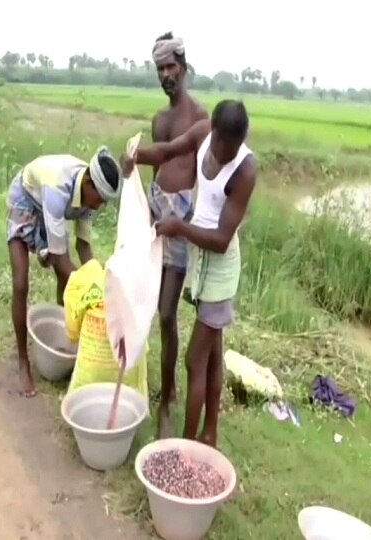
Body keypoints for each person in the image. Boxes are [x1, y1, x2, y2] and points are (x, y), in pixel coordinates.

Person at [121, 100, 256, 447]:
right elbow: (167, 151)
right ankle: (208, 433)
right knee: (211, 356)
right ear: (214, 131)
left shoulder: (245, 170)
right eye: (224, 146)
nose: (227, 154)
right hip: (200, 262)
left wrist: (179, 228)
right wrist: (138, 158)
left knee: (194, 359)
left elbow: (223, 241)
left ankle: (185, 445)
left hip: (220, 269)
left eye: (236, 147)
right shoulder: (201, 136)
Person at [6, 148, 122, 397]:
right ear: (89, 183)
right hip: (25, 198)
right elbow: (62, 260)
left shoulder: (90, 195)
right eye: (99, 199)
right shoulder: (58, 188)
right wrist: (93, 294)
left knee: (65, 277)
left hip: (50, 211)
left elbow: (83, 245)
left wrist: (101, 281)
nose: (100, 206)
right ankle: (23, 363)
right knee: (20, 283)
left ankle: (65, 339)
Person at [147, 32, 209, 438]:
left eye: (172, 67)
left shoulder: (201, 119)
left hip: (182, 225)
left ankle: (168, 395)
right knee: (153, 309)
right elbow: (156, 172)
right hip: (156, 221)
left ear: (184, 68)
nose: (167, 74)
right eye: (160, 69)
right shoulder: (160, 121)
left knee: (167, 313)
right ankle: (162, 384)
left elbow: (207, 175)